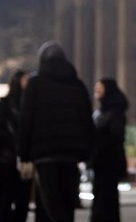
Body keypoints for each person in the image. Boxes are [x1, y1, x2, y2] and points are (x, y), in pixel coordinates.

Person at [18, 42, 93, 222]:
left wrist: (23, 153)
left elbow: (26, 120)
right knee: (67, 201)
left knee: (50, 202)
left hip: (45, 153)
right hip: (71, 153)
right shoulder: (77, 85)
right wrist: (87, 150)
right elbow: (86, 120)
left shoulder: (35, 84)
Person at [0, 70, 32, 222]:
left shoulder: (30, 104)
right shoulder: (5, 105)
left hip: (23, 158)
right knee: (6, 199)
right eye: (25, 80)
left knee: (22, 202)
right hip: (8, 159)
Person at [89, 78, 128, 222]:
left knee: (107, 198)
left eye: (99, 88)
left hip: (109, 161)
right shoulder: (102, 110)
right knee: (101, 196)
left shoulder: (115, 111)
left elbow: (115, 136)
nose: (96, 91)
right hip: (100, 161)